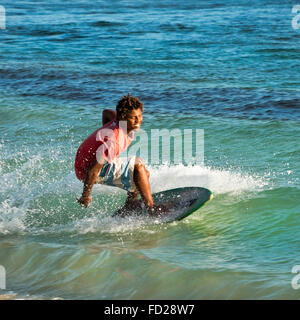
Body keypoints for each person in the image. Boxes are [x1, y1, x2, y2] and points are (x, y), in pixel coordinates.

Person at [75, 94, 166, 216]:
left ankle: (129, 205)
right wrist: (85, 196)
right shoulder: (115, 138)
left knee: (144, 175)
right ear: (123, 117)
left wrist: (104, 131)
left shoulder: (117, 120)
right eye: (134, 118)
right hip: (88, 170)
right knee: (137, 166)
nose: (138, 120)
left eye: (140, 116)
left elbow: (106, 112)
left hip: (88, 162)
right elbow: (93, 169)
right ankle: (151, 209)